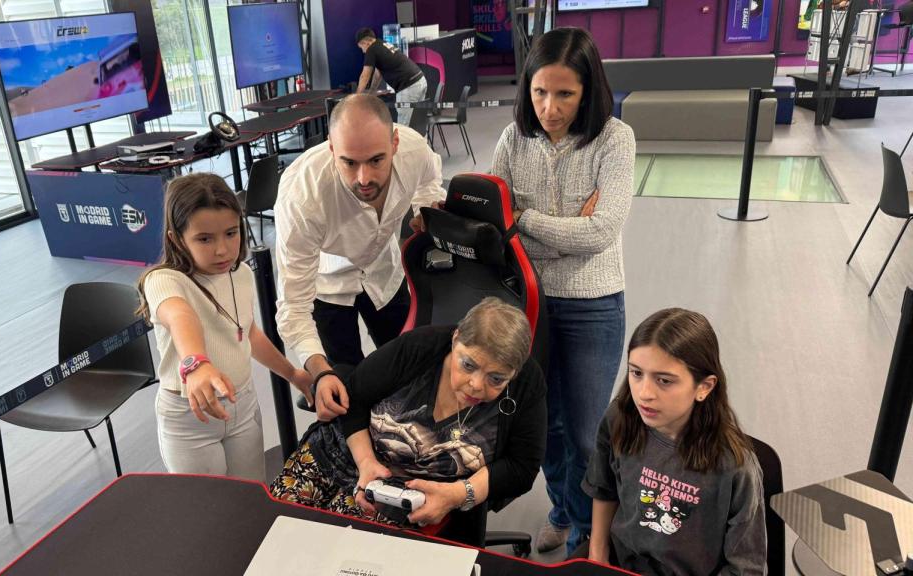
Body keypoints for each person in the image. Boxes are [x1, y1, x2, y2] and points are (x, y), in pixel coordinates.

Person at [490, 27, 635, 556]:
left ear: (588, 89)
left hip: (593, 305)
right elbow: (491, 217)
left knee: (583, 431)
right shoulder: (512, 140)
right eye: (539, 92)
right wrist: (562, 225)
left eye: (565, 94)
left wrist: (525, 219)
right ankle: (564, 510)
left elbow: (601, 233)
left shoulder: (615, 140)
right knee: (543, 426)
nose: (549, 108)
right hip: (528, 303)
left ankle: (587, 532)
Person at [269, 298, 546, 546]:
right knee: (278, 530)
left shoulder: (526, 385)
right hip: (341, 453)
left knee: (341, 551)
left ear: (514, 372)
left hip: (400, 492)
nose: (476, 385)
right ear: (455, 338)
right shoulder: (421, 347)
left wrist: (457, 494)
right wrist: (366, 462)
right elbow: (354, 396)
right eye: (468, 365)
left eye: (496, 379)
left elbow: (521, 467)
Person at [274, 94, 445, 421]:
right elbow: (294, 306)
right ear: (331, 148)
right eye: (349, 162)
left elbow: (430, 179)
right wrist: (320, 371)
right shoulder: (302, 198)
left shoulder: (414, 150)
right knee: (346, 390)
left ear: (395, 143)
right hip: (328, 287)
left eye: (376, 160)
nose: (364, 178)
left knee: (409, 369)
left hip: (385, 272)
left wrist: (426, 208)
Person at [136, 173, 314, 479]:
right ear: (176, 238)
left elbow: (247, 333)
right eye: (204, 239)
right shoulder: (163, 280)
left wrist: (293, 374)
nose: (222, 249)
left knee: (250, 496)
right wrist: (196, 364)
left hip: (242, 403)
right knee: (209, 509)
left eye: (231, 233)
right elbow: (180, 316)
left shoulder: (241, 273)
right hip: (190, 415)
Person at [580, 308, 766, 574]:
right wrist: (597, 555)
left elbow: (746, 567)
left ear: (704, 387)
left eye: (664, 381)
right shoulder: (619, 417)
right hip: (621, 564)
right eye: (636, 373)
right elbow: (603, 488)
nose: (644, 393)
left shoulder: (735, 465)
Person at [355, 27, 428, 126]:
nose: (363, 51)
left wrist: (357, 97)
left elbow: (365, 75)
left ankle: (405, 141)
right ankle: (421, 141)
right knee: (418, 123)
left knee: (404, 127)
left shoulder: (371, 50)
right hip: (420, 80)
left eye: (361, 48)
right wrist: (372, 92)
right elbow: (377, 74)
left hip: (408, 86)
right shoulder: (382, 44)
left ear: (365, 43)